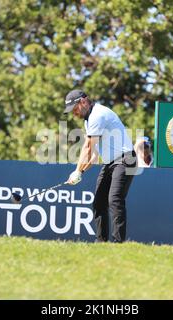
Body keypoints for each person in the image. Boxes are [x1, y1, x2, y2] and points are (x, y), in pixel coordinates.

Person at [63, 89, 136, 243]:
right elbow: (95, 154)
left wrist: (76, 170)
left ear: (83, 101)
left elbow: (88, 148)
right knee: (99, 202)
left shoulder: (97, 114)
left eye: (74, 109)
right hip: (111, 162)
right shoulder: (88, 120)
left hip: (125, 159)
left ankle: (118, 243)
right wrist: (81, 171)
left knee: (115, 199)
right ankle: (101, 242)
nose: (74, 113)